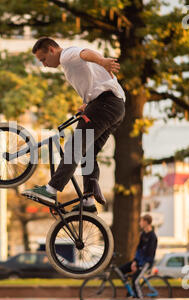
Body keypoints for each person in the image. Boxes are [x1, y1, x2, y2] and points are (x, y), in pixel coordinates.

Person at [22, 37, 126, 213]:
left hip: (105, 104)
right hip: (116, 107)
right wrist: (88, 104)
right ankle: (88, 201)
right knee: (88, 153)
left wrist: (102, 61)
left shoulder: (67, 55)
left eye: (43, 59)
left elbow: (85, 53)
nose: (44, 65)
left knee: (74, 147)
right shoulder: (69, 64)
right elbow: (96, 81)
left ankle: (51, 190)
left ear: (51, 50)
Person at [119, 214, 158, 298]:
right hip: (138, 262)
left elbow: (149, 254)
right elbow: (139, 249)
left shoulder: (152, 237)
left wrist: (139, 265)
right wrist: (135, 261)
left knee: (136, 281)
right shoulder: (142, 234)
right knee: (120, 270)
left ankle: (138, 296)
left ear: (146, 222)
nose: (139, 223)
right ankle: (131, 291)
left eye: (141, 221)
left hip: (146, 263)